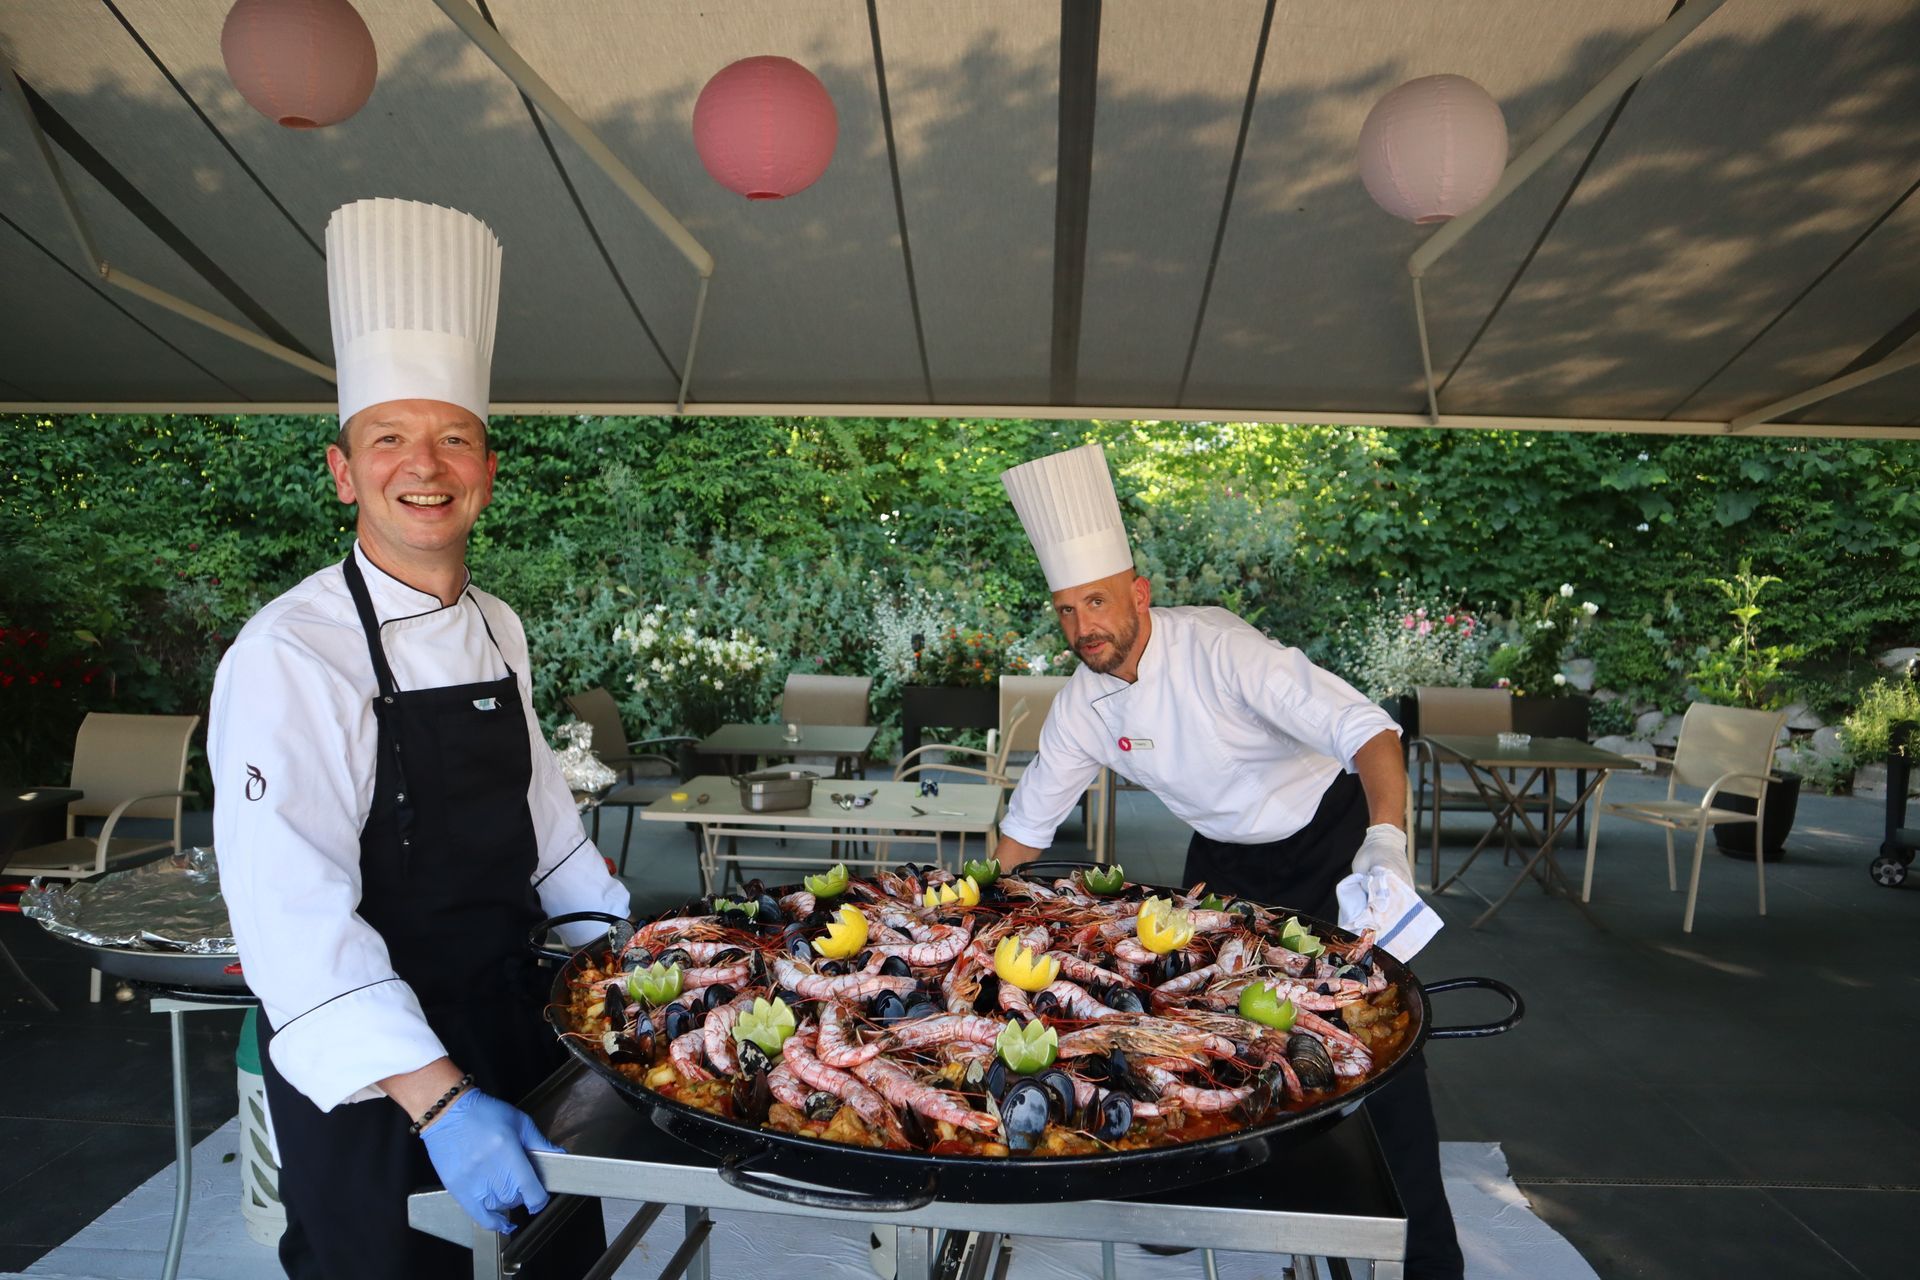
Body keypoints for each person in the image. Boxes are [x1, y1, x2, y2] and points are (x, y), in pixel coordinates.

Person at [209, 198, 624, 1279]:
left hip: (517, 1020)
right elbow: (291, 918)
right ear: (345, 471)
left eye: (452, 436)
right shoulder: (288, 652)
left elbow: (546, 823)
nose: (423, 464)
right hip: (379, 1067)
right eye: (387, 437)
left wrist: (632, 964)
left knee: (554, 1266)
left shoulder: (498, 624)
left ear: (487, 467)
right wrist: (439, 1098)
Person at [991, 443, 1459, 1279]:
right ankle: (1207, 1186)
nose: (1083, 627)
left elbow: (1370, 730)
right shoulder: (1083, 701)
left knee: (1376, 1043)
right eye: (1066, 610)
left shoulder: (1221, 649)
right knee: (1209, 1025)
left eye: (1096, 601)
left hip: (1325, 836)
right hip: (1226, 858)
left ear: (1139, 593)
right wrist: (977, 908)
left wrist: (1385, 840)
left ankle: (1426, 1255)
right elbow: (1030, 821)